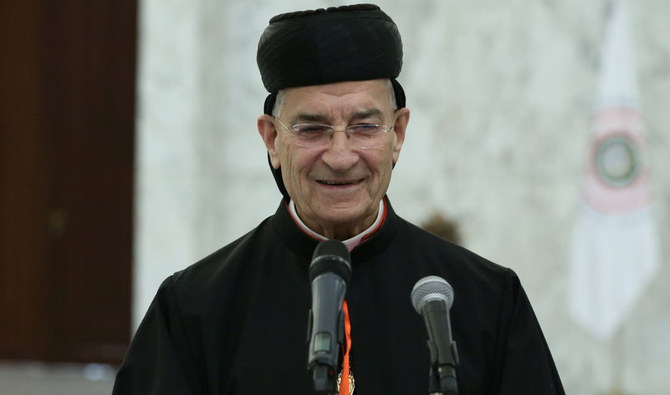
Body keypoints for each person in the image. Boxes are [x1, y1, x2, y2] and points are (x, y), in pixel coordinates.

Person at [113, 4, 564, 394]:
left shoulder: (485, 301)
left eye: (365, 126)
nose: (342, 156)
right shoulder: (195, 309)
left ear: (398, 133)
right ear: (272, 139)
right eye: (312, 129)